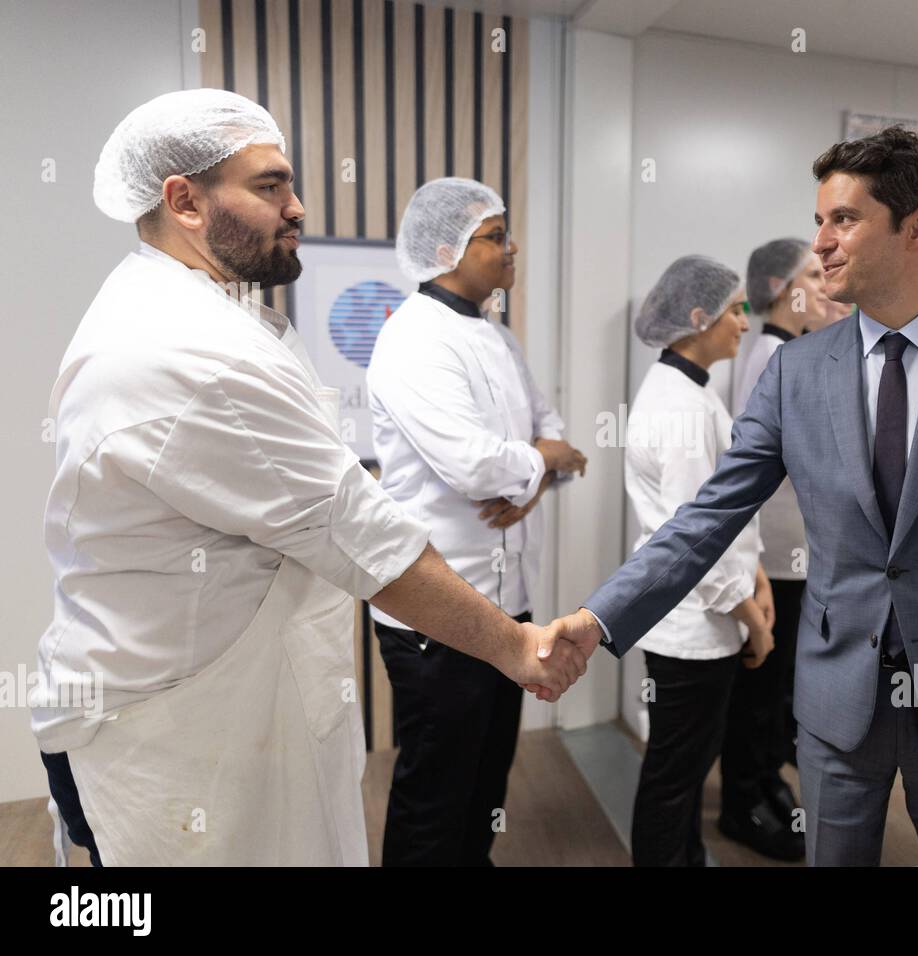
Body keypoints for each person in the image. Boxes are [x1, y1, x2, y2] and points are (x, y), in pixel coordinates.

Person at [34, 90, 584, 867]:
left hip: (218, 704)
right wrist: (518, 646)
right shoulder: (188, 350)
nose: (297, 207)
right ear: (184, 201)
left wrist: (535, 464)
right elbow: (361, 531)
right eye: (270, 186)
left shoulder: (220, 317)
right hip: (170, 736)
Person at [538, 127, 918, 865]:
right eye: (819, 220)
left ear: (917, 226)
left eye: (844, 220)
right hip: (837, 701)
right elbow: (706, 518)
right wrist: (599, 618)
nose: (820, 242)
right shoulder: (798, 371)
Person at [365, 178, 587, 865]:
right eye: (496, 236)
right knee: (435, 793)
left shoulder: (497, 334)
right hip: (439, 613)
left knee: (488, 778)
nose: (511, 247)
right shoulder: (412, 340)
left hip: (509, 607)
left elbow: (556, 437)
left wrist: (537, 474)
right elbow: (473, 466)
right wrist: (540, 464)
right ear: (445, 251)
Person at [623, 255, 774, 866]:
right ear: (697, 317)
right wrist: (756, 620)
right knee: (673, 773)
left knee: (685, 766)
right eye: (735, 310)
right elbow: (696, 543)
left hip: (700, 617)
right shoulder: (682, 407)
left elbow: (727, 514)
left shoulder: (689, 388)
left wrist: (758, 575)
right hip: (690, 627)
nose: (744, 322)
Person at [716, 237, 826, 861]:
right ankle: (743, 805)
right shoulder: (769, 356)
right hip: (776, 553)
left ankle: (764, 784)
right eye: (813, 270)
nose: (826, 276)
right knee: (760, 688)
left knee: (775, 688)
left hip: (793, 552)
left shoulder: (784, 351)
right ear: (784, 286)